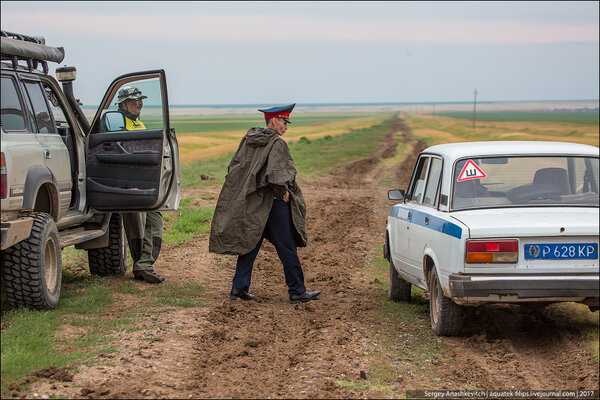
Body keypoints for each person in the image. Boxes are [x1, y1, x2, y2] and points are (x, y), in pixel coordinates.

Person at [209, 104, 321, 303]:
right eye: (284, 121)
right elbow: (277, 176)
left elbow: (234, 167)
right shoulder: (277, 143)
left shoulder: (249, 139)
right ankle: (297, 290)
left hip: (252, 202)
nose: (286, 126)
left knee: (252, 242)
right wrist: (283, 192)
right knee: (286, 246)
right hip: (273, 202)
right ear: (274, 120)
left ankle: (239, 288)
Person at [115, 86, 165, 284]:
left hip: (143, 182)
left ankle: (144, 263)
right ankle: (143, 265)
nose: (140, 103)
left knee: (155, 218)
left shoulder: (139, 124)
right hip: (128, 182)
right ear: (124, 103)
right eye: (135, 100)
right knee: (137, 222)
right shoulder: (116, 122)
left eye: (140, 99)